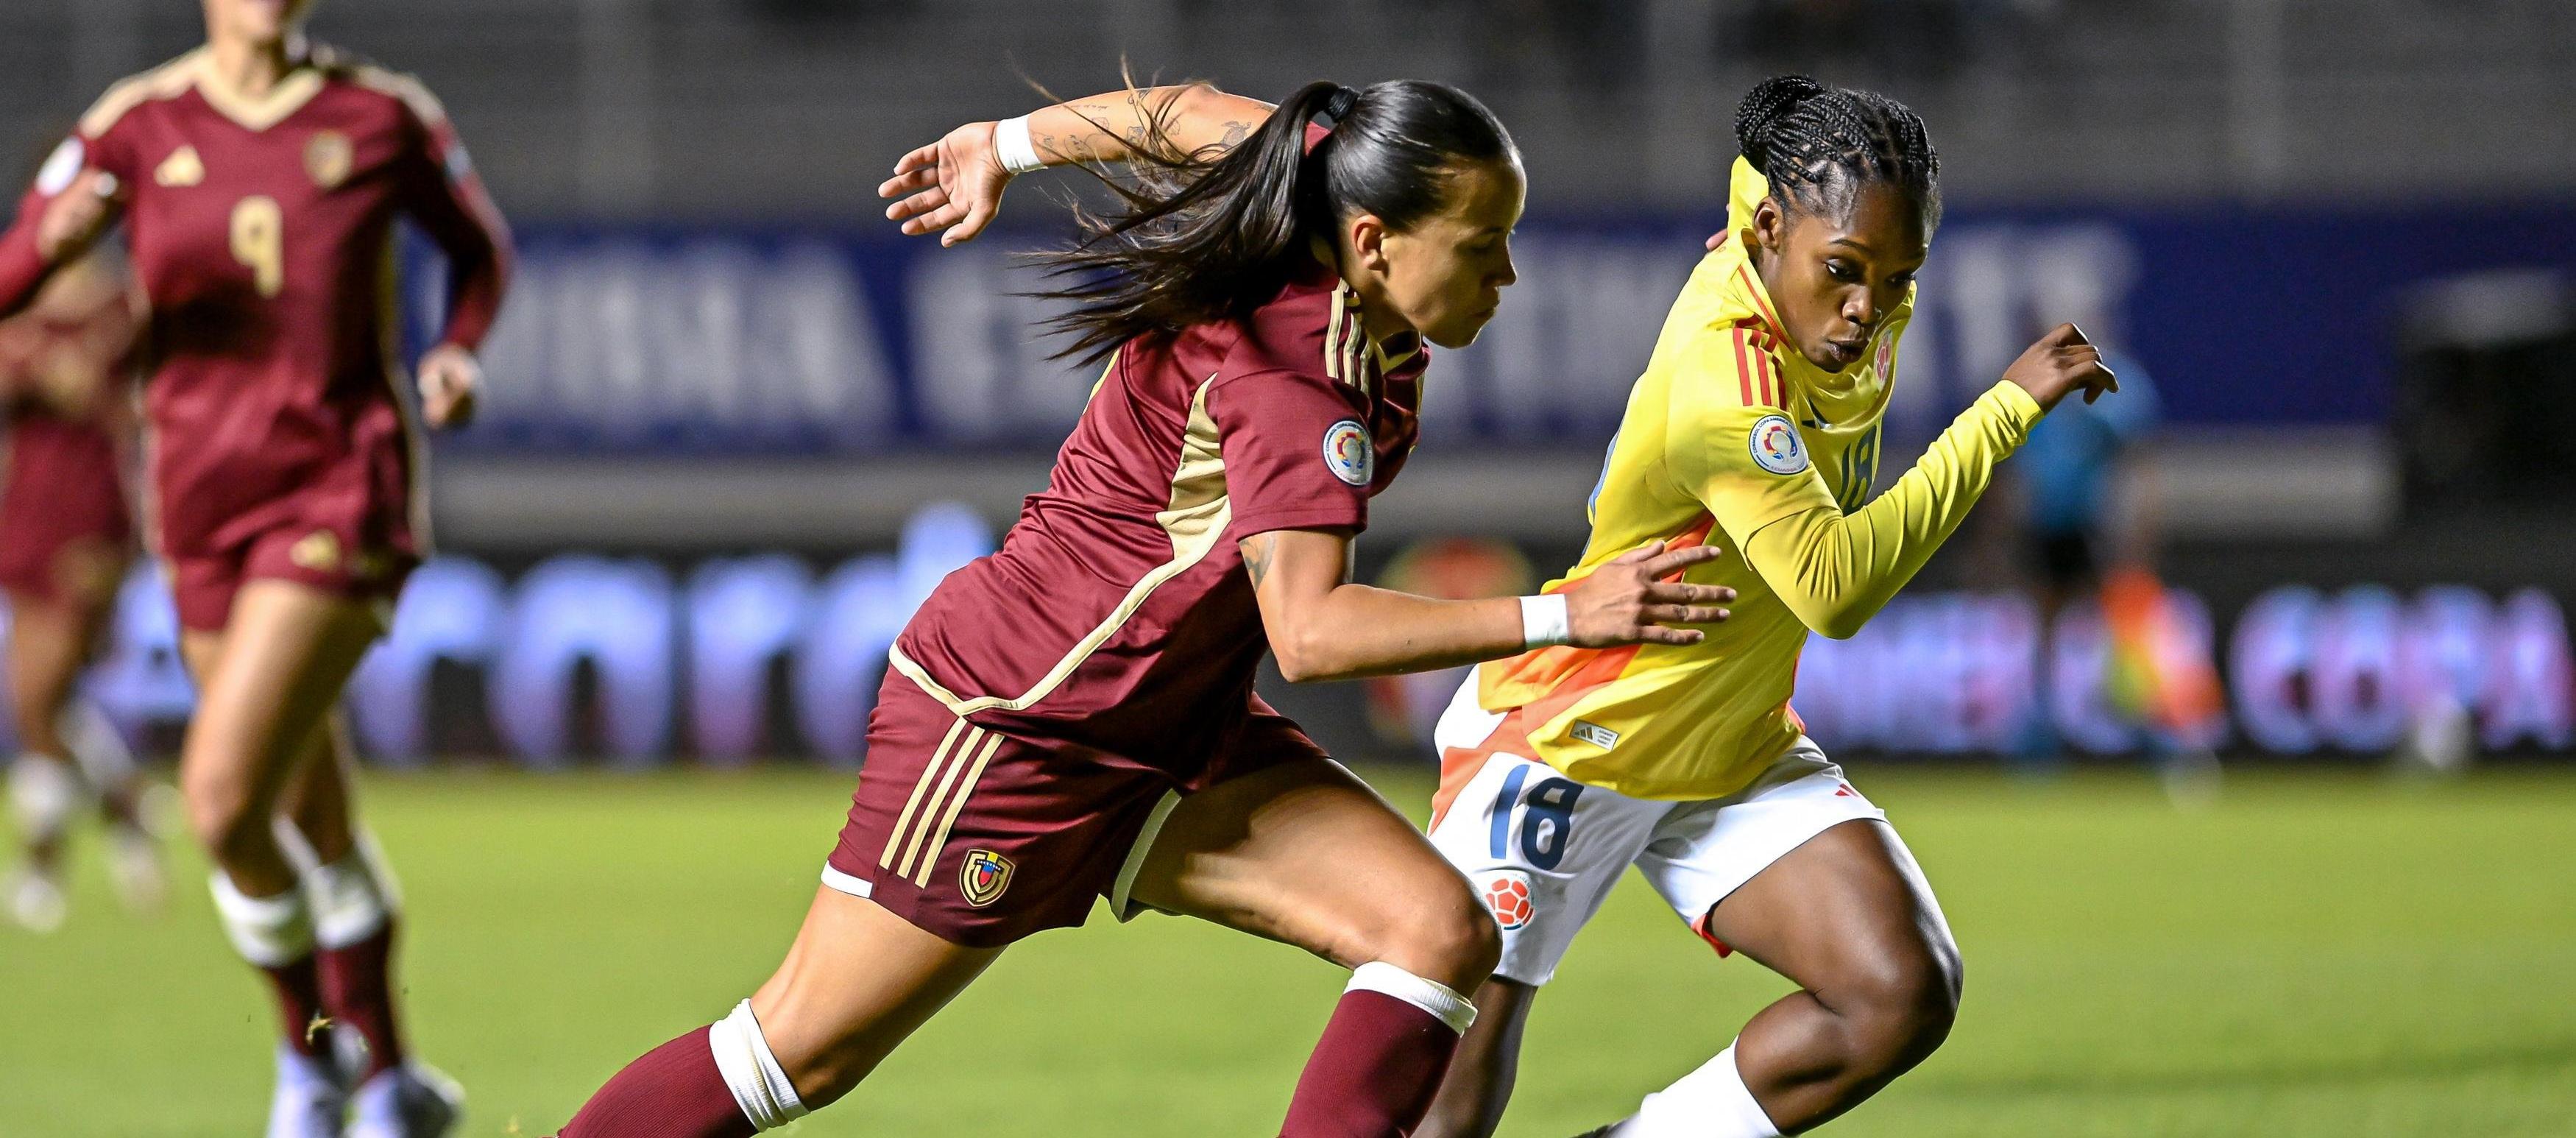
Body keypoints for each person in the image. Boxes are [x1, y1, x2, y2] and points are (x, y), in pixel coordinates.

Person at [552, 77, 1733, 1138]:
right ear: (1373, 243)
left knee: (1437, 931)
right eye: (1483, 248)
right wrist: (1563, 615)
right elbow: (1313, 636)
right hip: (1018, 724)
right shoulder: (1295, 376)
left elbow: (1178, 109)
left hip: (1174, 719)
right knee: (795, 1054)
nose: (1507, 276)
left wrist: (1001, 145)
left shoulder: (1315, 163)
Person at [1408, 76, 2116, 1138]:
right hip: (1583, 730)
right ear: (1766, 228)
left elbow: (1798, 175)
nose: (1869, 308)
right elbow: (1831, 591)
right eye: (1843, 273)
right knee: (1445, 1116)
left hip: (1728, 734)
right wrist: (2003, 412)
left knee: (1898, 987)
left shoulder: (1830, 234)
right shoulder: (1723, 382)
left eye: (1898, 276)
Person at [0, 0, 511, 1133]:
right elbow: (15, 270)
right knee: (310, 814)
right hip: (198, 512)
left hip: (338, 492)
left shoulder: (382, 117)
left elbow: (480, 251)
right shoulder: (135, 124)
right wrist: (63, 247)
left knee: (224, 798)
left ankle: (307, 1061)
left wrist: (459, 351)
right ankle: (388, 1081)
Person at [0, 247, 165, 933]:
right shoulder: (16, 308)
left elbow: (153, 408)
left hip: (90, 523)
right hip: (23, 521)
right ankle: (127, 810)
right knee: (51, 706)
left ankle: (42, 864)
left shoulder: (125, 311)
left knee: (36, 696)